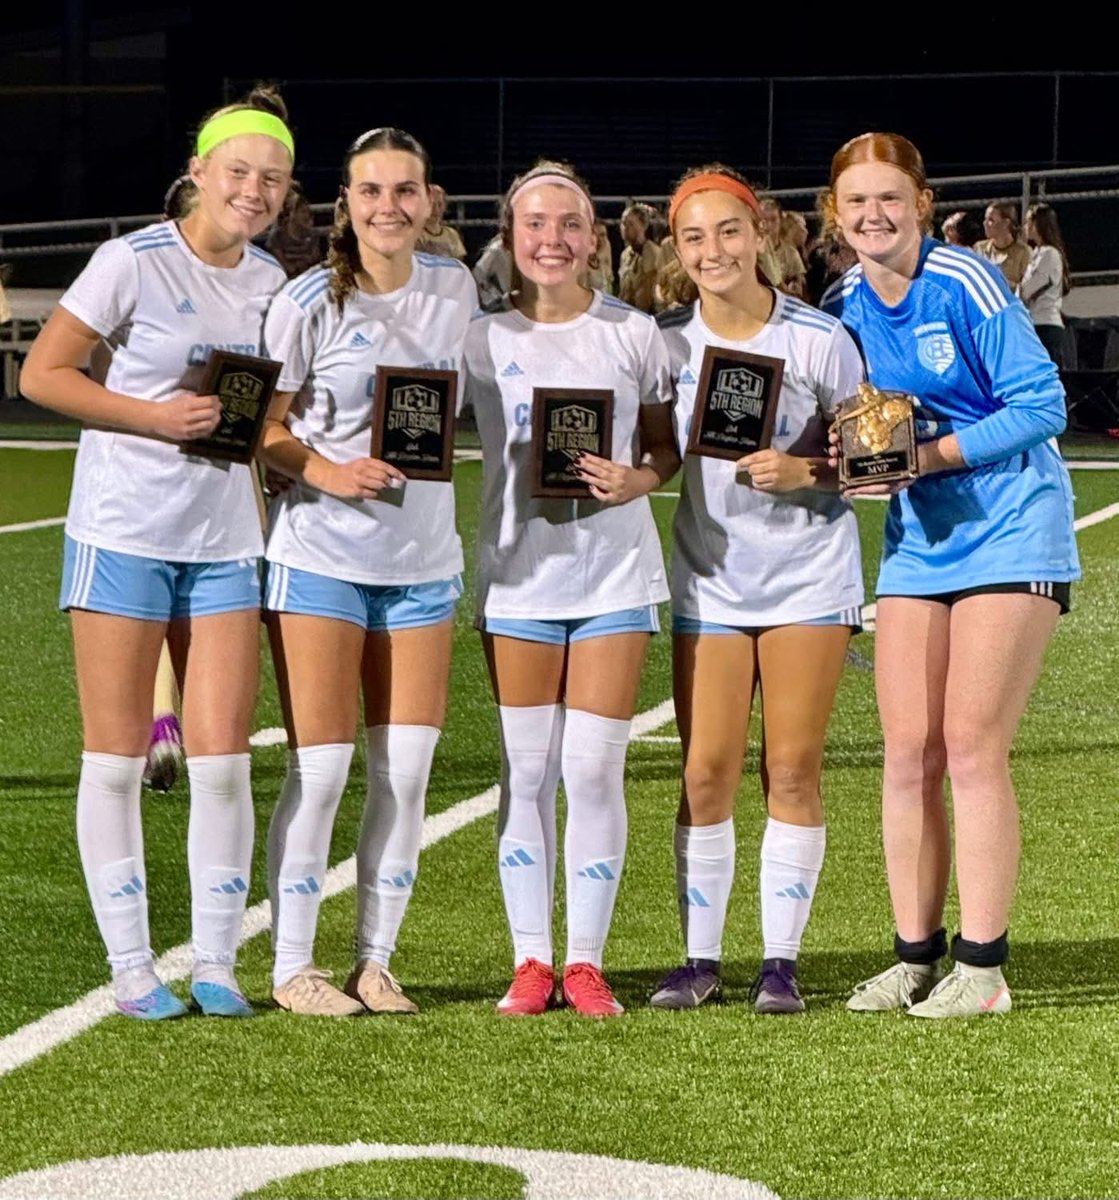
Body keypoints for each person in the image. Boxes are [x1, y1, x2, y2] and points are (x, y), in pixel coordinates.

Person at [19, 85, 294, 1019]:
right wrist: (151, 415)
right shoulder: (128, 261)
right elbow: (41, 373)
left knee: (220, 759)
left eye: (273, 178)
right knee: (117, 754)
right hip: (123, 533)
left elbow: (270, 415)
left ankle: (216, 962)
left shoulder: (270, 285)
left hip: (225, 542)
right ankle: (133, 968)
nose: (254, 191)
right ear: (198, 175)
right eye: (239, 172)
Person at [820, 132, 1080, 1018]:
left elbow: (1043, 404)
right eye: (854, 202)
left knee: (970, 746)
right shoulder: (843, 300)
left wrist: (924, 456)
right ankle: (913, 957)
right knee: (906, 753)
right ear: (834, 213)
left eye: (888, 198)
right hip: (917, 540)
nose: (872, 216)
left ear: (921, 203)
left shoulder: (964, 280)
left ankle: (983, 968)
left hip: (1012, 527)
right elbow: (853, 426)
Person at [258, 127, 476, 1018]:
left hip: (424, 563)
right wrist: (326, 471)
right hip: (319, 557)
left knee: (407, 772)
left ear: (429, 201)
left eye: (405, 190)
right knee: (323, 766)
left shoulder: (455, 288)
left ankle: (376, 962)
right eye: (370, 191)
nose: (388, 206)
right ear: (344, 203)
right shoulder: (309, 298)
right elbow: (260, 431)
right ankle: (292, 967)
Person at [464, 160, 679, 1018]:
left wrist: (639, 480)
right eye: (534, 226)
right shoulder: (478, 340)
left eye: (568, 225)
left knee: (592, 770)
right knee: (526, 770)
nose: (551, 240)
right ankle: (529, 960)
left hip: (614, 579)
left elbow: (663, 447)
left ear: (593, 238)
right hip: (518, 582)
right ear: (510, 239)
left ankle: (584, 961)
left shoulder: (634, 333)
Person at [649, 165, 865, 1015]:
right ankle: (698, 960)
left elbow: (871, 460)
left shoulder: (818, 338)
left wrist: (803, 468)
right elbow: (651, 450)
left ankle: (780, 963)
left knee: (791, 766)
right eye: (694, 237)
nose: (713, 251)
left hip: (808, 576)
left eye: (728, 231)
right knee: (703, 772)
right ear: (677, 248)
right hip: (708, 579)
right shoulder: (663, 342)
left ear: (761, 232)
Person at [1020, 203, 1071, 369]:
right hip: (1033, 325)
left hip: (1045, 326)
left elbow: (1028, 291)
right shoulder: (1036, 253)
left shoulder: (1049, 254)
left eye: (1028, 223)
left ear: (1038, 225)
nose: (1025, 227)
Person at [266, 181, 325, 278]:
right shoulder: (277, 236)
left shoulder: (311, 234)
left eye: (307, 211)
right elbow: (286, 268)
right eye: (302, 211)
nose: (306, 215)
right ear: (292, 213)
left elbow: (315, 260)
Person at [973, 202, 1030, 290]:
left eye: (991, 220)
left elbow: (1028, 288)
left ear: (1006, 223)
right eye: (985, 219)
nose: (985, 223)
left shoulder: (1023, 252)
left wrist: (1002, 283)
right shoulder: (980, 248)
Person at [617, 202, 660, 313]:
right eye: (623, 223)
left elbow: (646, 294)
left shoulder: (652, 252)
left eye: (630, 224)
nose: (625, 228)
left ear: (643, 226)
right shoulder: (625, 254)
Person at [416, 183, 468, 261]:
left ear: (445, 206)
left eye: (440, 205)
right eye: (431, 205)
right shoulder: (415, 234)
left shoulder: (452, 234)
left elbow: (458, 264)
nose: (436, 210)